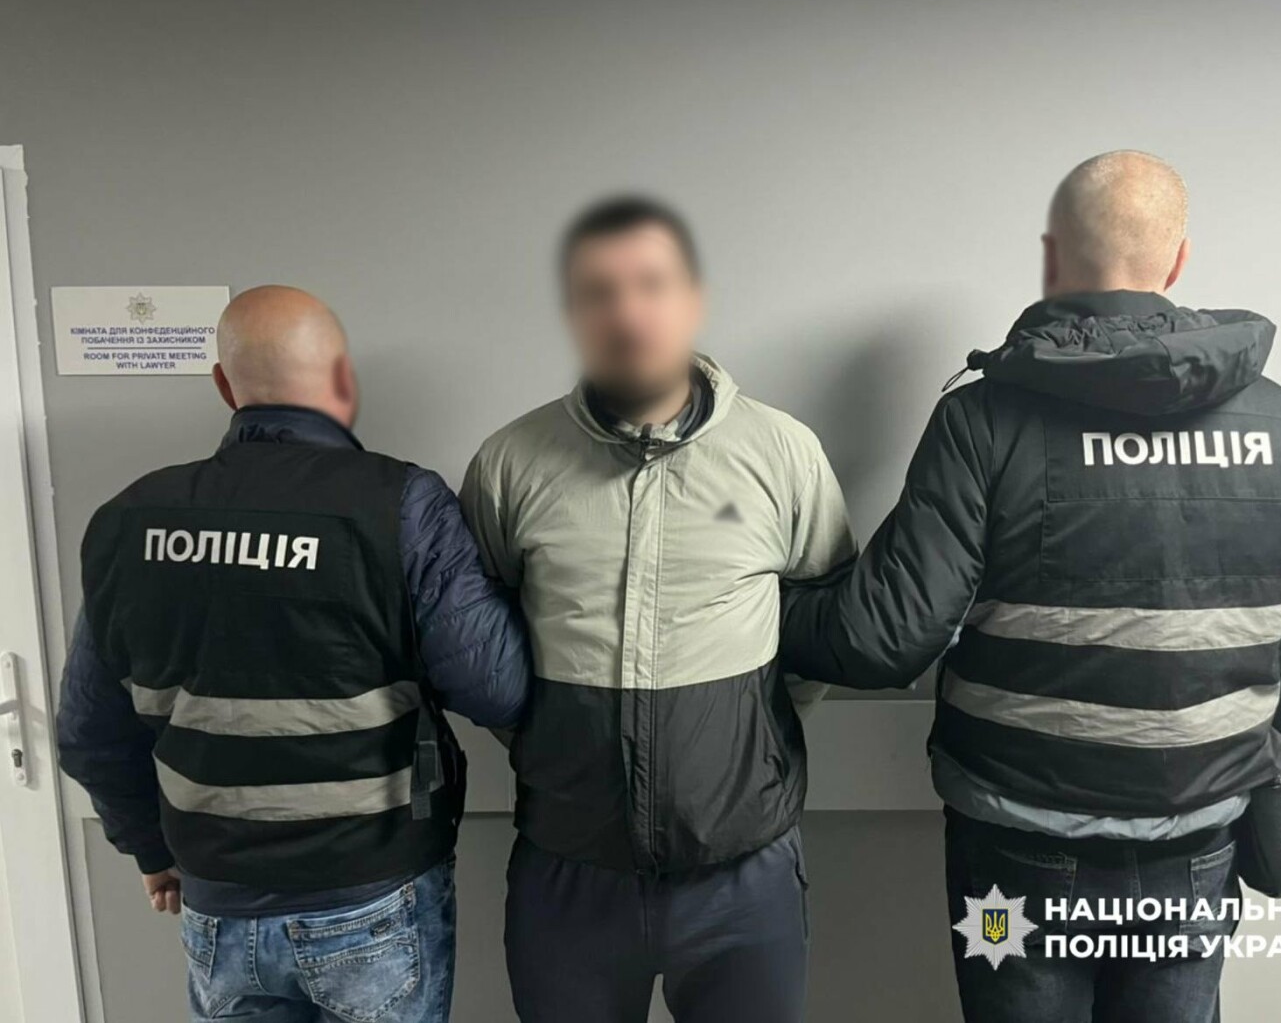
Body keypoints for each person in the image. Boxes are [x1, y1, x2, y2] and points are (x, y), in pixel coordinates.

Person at [781, 151, 1281, 1023]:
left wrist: (753, 609)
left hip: (1012, 853)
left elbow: (882, 639)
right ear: (1178, 260)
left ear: (1053, 259)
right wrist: (1278, 788)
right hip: (1199, 845)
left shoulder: (983, 423)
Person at [58, 285, 531, 1023]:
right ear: (343, 378)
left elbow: (87, 732)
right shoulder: (400, 503)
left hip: (217, 903)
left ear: (225, 386)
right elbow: (494, 688)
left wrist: (150, 849)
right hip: (373, 895)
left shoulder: (128, 520)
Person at [460, 195, 855, 1023]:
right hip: (568, 874)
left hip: (743, 877)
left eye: (651, 284)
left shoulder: (783, 453)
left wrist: (745, 740)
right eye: (599, 292)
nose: (628, 312)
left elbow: (821, 632)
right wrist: (552, 738)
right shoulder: (509, 463)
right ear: (575, 313)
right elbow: (479, 647)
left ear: (692, 299)